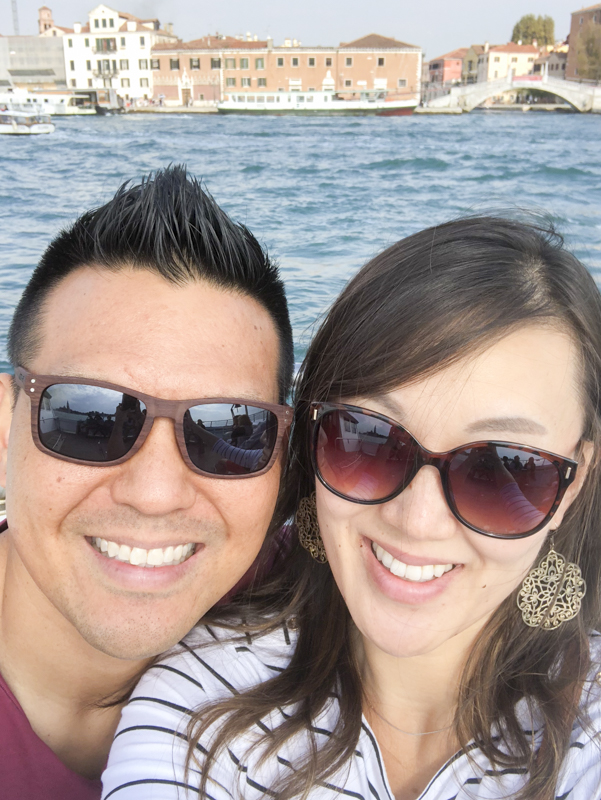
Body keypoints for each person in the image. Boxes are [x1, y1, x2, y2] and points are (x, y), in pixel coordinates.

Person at [102, 217, 601, 800]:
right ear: (312, 440)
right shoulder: (202, 703)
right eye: (368, 438)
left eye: (501, 467)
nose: (417, 521)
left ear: (573, 484)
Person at [0, 165, 294, 799]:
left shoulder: (310, 586)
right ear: (4, 421)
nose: (156, 494)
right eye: (92, 417)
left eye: (230, 430)